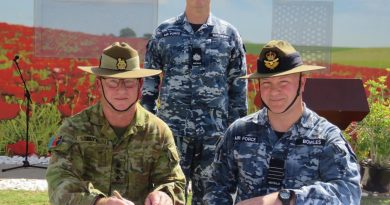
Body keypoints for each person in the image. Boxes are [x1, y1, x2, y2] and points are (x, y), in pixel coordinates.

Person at [203, 40, 361, 205]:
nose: (274, 92)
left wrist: (287, 199)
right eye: (266, 83)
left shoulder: (325, 137)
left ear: (302, 83)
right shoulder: (239, 132)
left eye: (283, 82)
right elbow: (215, 187)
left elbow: (349, 192)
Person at [46, 42, 186, 205]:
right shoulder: (74, 129)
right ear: (99, 85)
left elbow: (174, 182)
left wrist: (165, 196)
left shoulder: (158, 131)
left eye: (129, 82)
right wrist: (99, 203)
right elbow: (59, 183)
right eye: (113, 82)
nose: (121, 90)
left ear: (140, 85)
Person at [141, 0, 248, 203]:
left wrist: (237, 135)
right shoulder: (164, 32)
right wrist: (149, 128)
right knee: (167, 195)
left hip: (215, 138)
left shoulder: (229, 34)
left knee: (212, 197)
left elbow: (238, 89)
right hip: (172, 136)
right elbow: (149, 84)